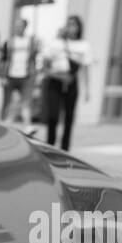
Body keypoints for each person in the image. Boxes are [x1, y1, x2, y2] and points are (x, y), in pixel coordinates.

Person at [42, 14, 91, 151]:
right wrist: (54, 74)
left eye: (74, 25)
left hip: (71, 82)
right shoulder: (55, 43)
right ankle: (49, 146)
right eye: (69, 25)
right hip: (55, 81)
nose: (71, 28)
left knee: (69, 117)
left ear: (79, 27)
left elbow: (86, 67)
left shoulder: (84, 45)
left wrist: (87, 90)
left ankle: (65, 149)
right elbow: (44, 63)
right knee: (53, 115)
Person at [1, 17, 39, 128]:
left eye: (20, 25)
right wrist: (3, 76)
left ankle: (28, 126)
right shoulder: (9, 42)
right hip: (11, 75)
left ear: (25, 27)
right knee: (10, 103)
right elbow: (4, 59)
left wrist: (35, 73)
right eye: (16, 25)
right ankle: (6, 125)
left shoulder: (31, 41)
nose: (18, 28)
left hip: (26, 76)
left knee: (26, 102)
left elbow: (35, 57)